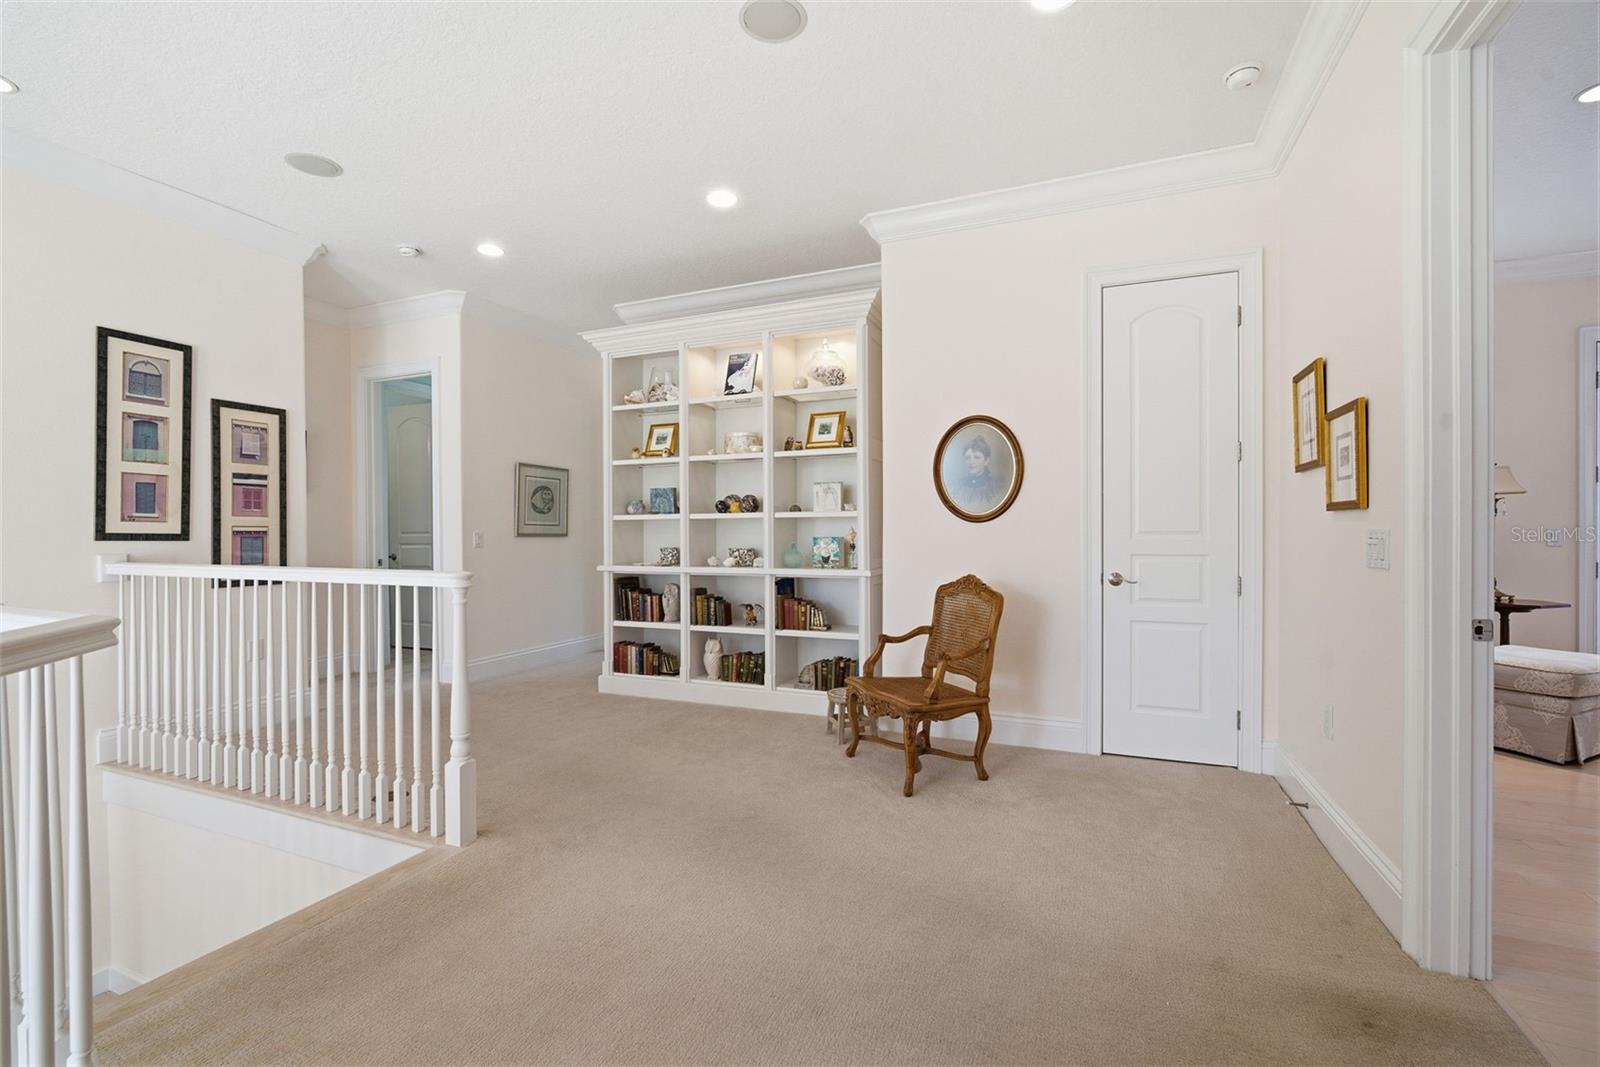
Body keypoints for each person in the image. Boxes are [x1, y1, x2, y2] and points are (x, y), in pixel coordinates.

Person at [953, 432, 1006, 515]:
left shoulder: (995, 488)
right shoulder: (958, 487)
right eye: (968, 458)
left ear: (986, 461)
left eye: (977, 457)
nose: (971, 462)